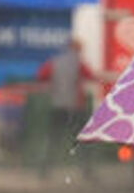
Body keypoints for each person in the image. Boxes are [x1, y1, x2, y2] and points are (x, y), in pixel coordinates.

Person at [35, 37, 97, 178]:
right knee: (80, 141)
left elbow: (41, 75)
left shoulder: (54, 62)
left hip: (57, 106)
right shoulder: (79, 64)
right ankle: (87, 171)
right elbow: (90, 76)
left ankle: (44, 171)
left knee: (53, 140)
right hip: (75, 107)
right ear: (77, 49)